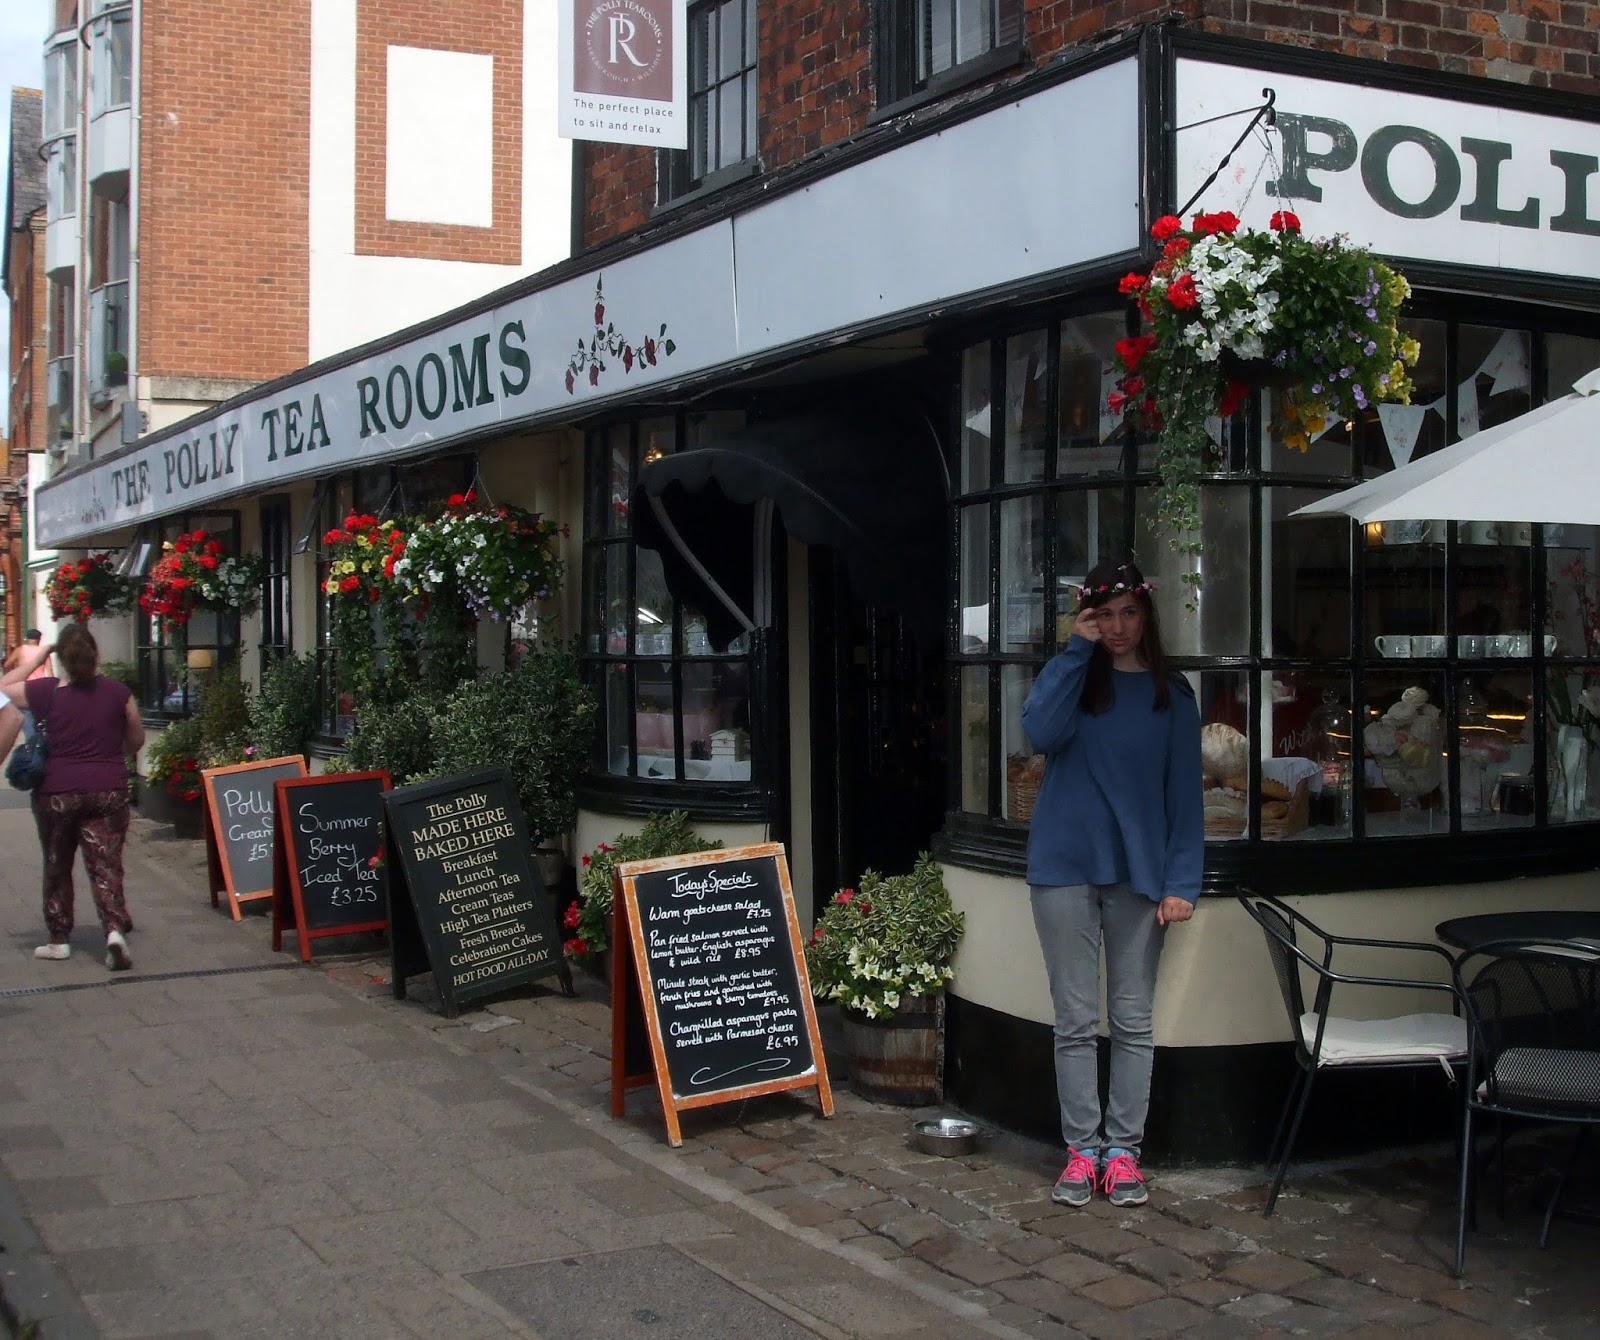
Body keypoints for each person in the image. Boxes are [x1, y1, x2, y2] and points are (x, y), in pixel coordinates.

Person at [1020, 558, 1202, 1208]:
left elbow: (1185, 797)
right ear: (1090, 617)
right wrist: (1078, 647)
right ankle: (1081, 1152)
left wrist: (1183, 881)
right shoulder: (1072, 680)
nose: (1119, 627)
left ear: (1147, 615)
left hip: (1141, 875)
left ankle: (1124, 1153)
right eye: (1107, 615)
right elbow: (1038, 732)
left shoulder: (1171, 695)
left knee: (1131, 1018)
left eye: (1129, 613)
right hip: (1064, 866)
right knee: (1074, 1020)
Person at [0, 625, 145, 969]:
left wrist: (42, 652)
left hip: (56, 792)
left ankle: (59, 939)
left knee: (57, 864)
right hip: (108, 789)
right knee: (106, 865)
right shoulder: (118, 692)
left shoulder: (44, 692)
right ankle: (113, 932)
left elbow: (3, 688)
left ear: (62, 658)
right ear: (96, 654)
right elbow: (136, 739)